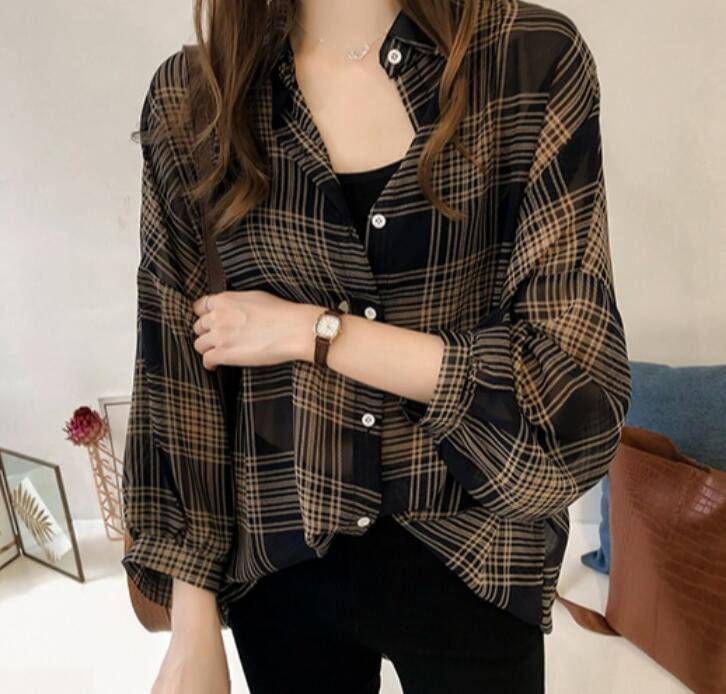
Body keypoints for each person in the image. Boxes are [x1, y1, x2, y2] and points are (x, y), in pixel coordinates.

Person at [122, 0, 632, 692]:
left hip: (474, 549)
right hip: (282, 558)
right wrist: (191, 616)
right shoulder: (196, 97)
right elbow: (177, 371)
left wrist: (317, 332)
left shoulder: (526, 60)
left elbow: (572, 390)